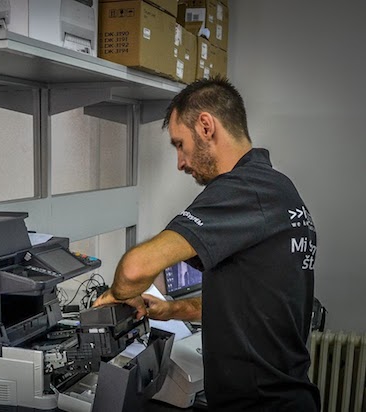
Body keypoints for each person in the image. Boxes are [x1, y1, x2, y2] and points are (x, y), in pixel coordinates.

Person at [93, 76, 320, 411]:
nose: (181, 162)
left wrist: (118, 295)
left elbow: (135, 267)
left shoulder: (243, 189)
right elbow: (245, 304)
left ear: (205, 126)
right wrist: (170, 310)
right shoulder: (276, 187)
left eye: (179, 144)